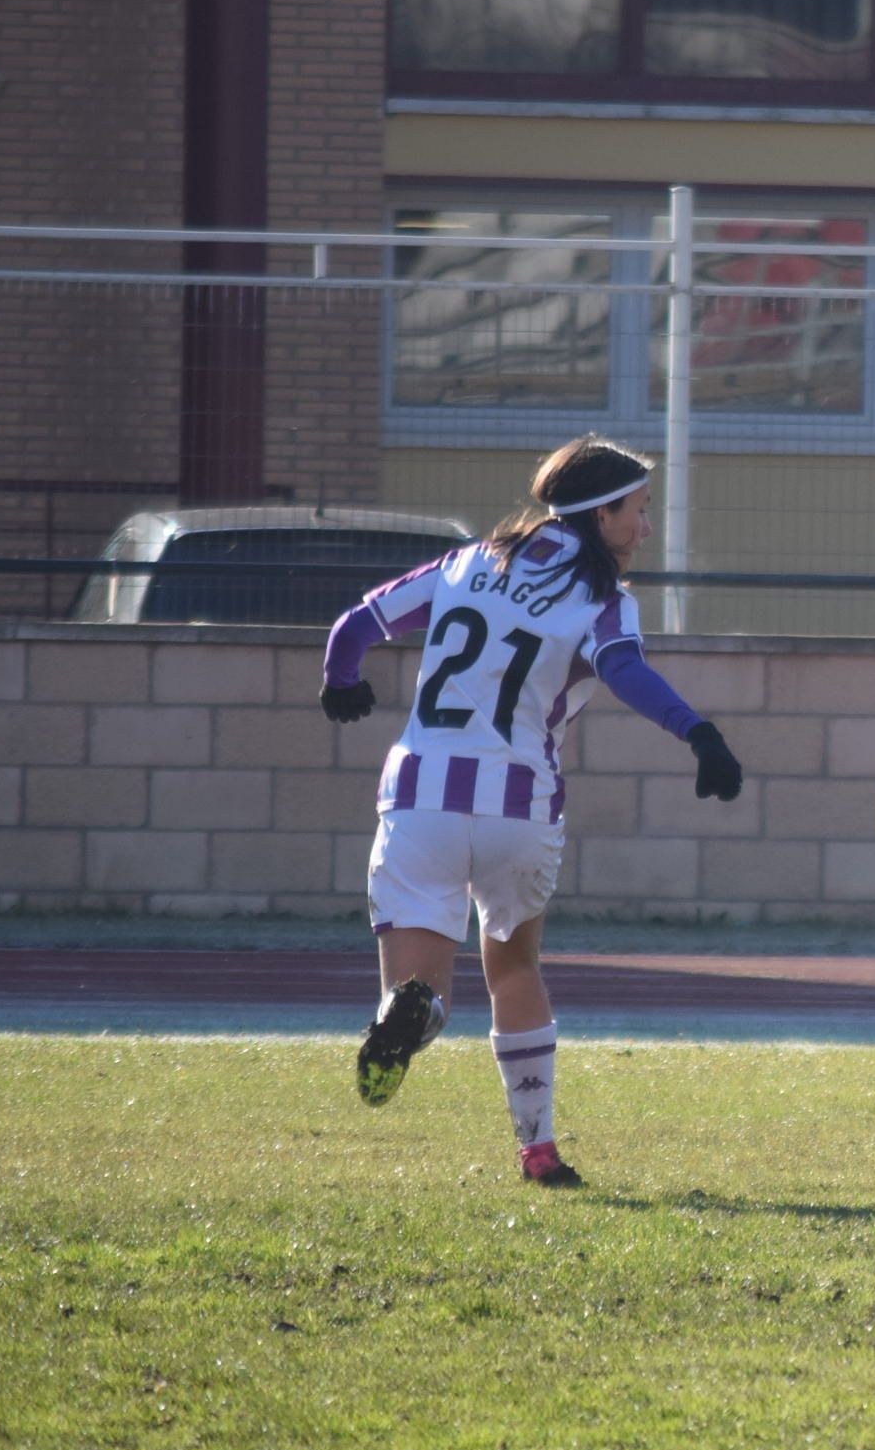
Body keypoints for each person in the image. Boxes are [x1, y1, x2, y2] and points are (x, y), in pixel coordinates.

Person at [318, 436, 744, 1186]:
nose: (646, 529)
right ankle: (538, 1150)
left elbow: (357, 623)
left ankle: (410, 1017)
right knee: (513, 967)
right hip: (521, 806)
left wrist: (341, 681)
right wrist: (700, 734)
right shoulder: (604, 600)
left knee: (416, 993)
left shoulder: (466, 561)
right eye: (639, 512)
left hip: (420, 800)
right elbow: (626, 672)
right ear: (600, 514)